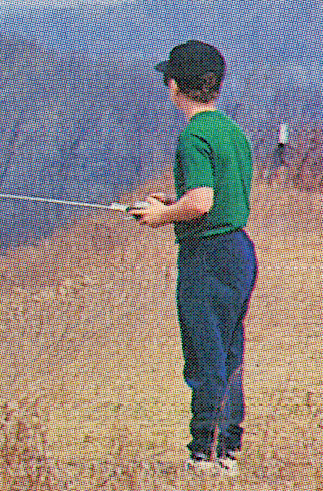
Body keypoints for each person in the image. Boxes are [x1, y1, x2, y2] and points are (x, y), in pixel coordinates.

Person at [131, 41, 258, 477]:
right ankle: (228, 447)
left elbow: (201, 202)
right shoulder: (233, 132)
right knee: (228, 352)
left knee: (205, 354)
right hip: (239, 251)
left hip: (208, 256)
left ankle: (206, 455)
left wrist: (163, 215)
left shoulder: (192, 136)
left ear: (173, 86)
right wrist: (171, 203)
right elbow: (221, 196)